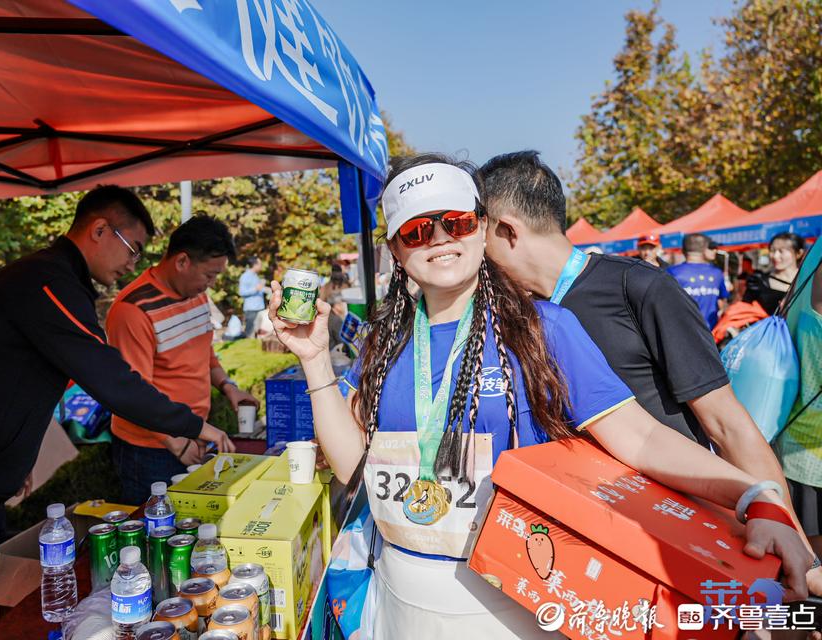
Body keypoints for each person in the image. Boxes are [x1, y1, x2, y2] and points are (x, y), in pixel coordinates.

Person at [270, 154, 810, 639]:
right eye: (416, 230)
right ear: (395, 249)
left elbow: (641, 438)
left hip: (512, 596)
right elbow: (351, 467)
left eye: (454, 222)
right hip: (400, 599)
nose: (438, 238)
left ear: (482, 229)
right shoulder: (387, 340)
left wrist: (753, 494)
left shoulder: (544, 329)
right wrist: (314, 358)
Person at [0, 185, 235, 640]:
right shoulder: (46, 282)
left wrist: (17, 454)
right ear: (99, 230)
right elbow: (110, 378)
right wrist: (192, 423)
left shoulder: (52, 282)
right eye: (133, 248)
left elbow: (12, 381)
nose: (133, 263)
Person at [479, 151, 820, 584]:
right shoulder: (515, 315)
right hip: (580, 541)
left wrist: (798, 555)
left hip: (677, 540)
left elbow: (727, 425)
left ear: (507, 229)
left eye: (479, 232)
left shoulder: (639, 288)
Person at [106, 216, 259, 505]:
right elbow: (133, 395)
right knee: (157, 531)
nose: (210, 285)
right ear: (182, 262)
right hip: (150, 449)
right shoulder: (133, 310)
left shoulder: (196, 295)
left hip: (191, 434)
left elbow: (205, 353)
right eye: (209, 275)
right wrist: (175, 441)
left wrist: (228, 387)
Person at [667, 233, 729, 330]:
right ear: (705, 250)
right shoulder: (717, 273)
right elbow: (723, 303)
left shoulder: (671, 272)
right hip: (710, 333)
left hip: (681, 331)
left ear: (683, 250)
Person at [745, 232, 805, 315]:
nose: (775, 256)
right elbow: (745, 311)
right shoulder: (758, 282)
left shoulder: (808, 281)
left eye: (781, 251)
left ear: (799, 253)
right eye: (772, 250)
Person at [239, 257, 266, 338]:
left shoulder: (256, 276)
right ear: (255, 265)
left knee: (258, 330)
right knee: (250, 332)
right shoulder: (245, 276)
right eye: (260, 264)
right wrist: (256, 289)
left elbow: (260, 289)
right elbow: (242, 292)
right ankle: (246, 347)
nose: (261, 266)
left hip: (259, 307)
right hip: (251, 308)